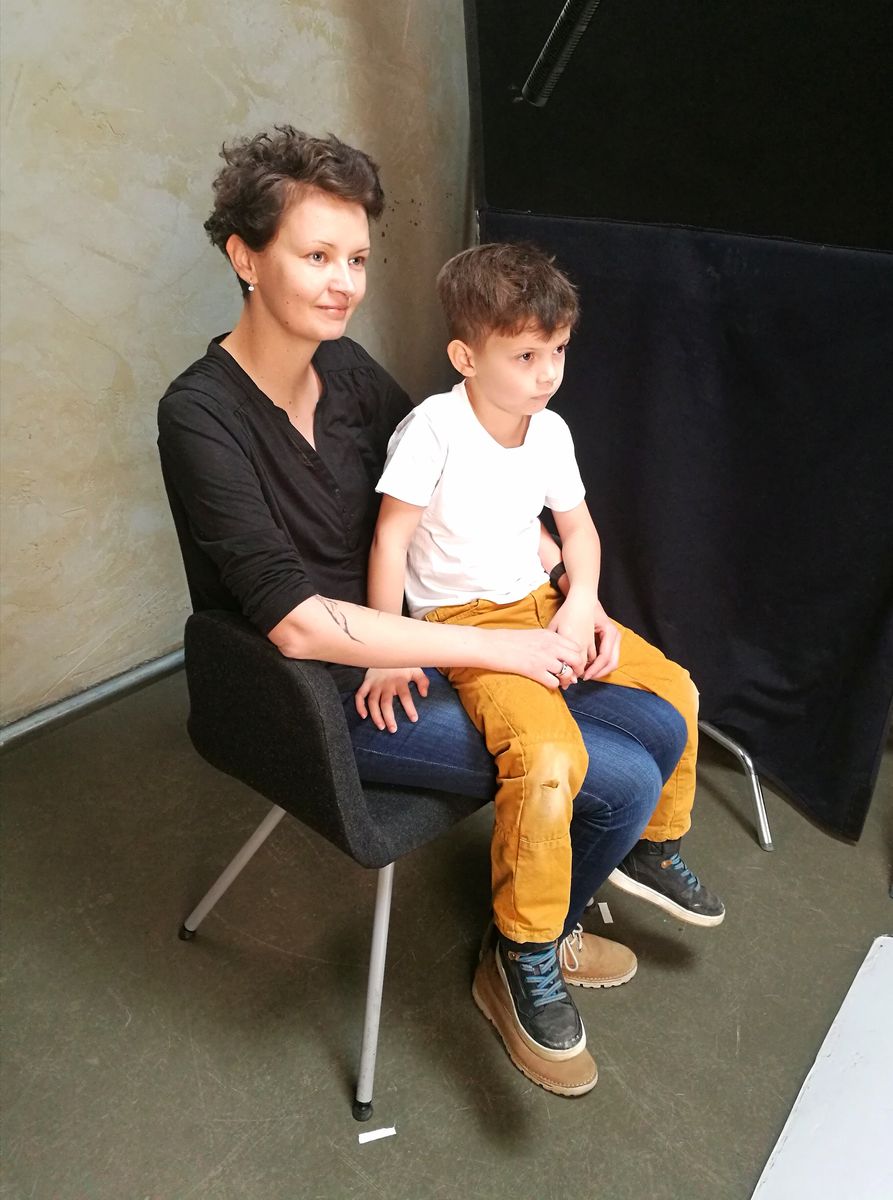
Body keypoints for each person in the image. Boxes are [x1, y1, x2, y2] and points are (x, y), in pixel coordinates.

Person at [156, 125, 686, 1099]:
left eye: (356, 259)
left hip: (439, 633)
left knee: (659, 722)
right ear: (245, 257)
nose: (342, 284)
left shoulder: (349, 370)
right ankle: (519, 958)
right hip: (326, 693)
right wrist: (510, 652)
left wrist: (570, 596)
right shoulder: (198, 415)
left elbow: (463, 490)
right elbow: (298, 624)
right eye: (316, 256)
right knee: (615, 778)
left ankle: (547, 919)